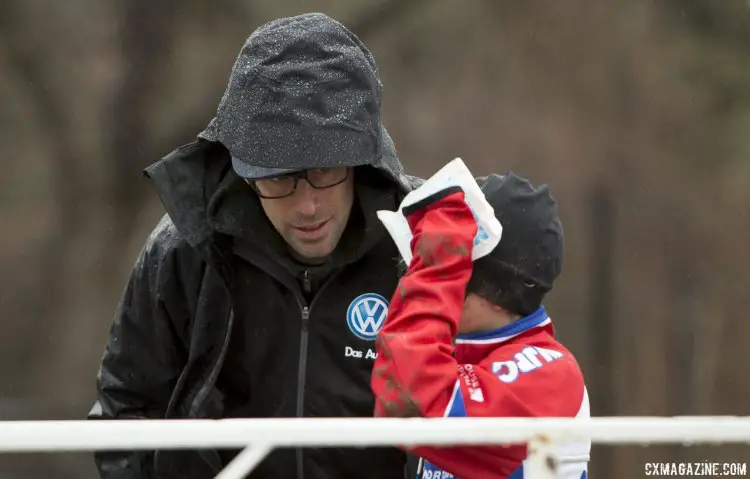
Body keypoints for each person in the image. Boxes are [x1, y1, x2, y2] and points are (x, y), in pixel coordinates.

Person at [88, 12, 420, 479]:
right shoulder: (184, 252)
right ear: (244, 173)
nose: (307, 206)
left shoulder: (425, 247)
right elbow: (127, 409)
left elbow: (506, 398)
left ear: (361, 163)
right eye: (280, 178)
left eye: (325, 172)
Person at [371, 173, 591, 479]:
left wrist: (438, 265)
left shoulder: (551, 373)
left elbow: (411, 397)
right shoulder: (459, 355)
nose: (416, 274)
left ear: (496, 290)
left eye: (455, 267)